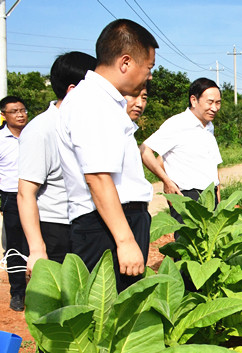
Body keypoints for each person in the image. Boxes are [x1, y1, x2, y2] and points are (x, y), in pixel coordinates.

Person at [57, 19, 158, 291]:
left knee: (120, 314)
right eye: (148, 67)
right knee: (106, 316)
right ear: (125, 63)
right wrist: (125, 241)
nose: (149, 76)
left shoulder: (105, 101)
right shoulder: (93, 102)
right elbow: (98, 177)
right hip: (106, 228)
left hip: (114, 223)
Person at [17, 52, 95, 353]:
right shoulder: (42, 129)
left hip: (84, 227)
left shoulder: (86, 126)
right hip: (55, 233)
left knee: (84, 310)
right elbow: (25, 193)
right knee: (57, 318)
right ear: (75, 89)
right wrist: (37, 250)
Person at [141, 77, 222, 223]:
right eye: (210, 102)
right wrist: (167, 181)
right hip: (187, 197)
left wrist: (218, 196)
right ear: (193, 100)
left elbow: (212, 165)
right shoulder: (178, 124)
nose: (214, 108)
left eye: (218, 103)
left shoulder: (209, 126)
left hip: (210, 196)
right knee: (187, 244)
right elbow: (145, 150)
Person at [0, 96, 29, 311]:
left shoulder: (34, 135)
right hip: (11, 198)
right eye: (14, 111)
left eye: (22, 110)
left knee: (40, 243)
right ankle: (18, 293)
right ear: (4, 115)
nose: (20, 114)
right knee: (15, 247)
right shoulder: (1, 140)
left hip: (37, 197)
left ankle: (41, 289)